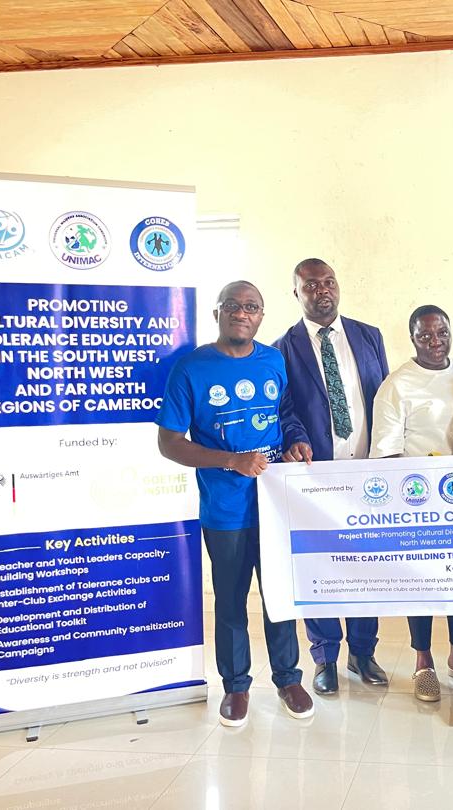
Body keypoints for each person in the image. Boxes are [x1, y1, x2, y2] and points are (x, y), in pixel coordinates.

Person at [156, 281, 315, 729]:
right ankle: (237, 687)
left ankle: (288, 678)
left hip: (275, 505)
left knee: (279, 596)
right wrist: (231, 460)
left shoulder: (274, 359)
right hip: (225, 512)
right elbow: (169, 443)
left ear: (261, 316)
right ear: (217, 313)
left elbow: (284, 413)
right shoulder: (190, 369)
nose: (241, 313)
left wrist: (296, 441)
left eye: (251, 307)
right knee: (230, 602)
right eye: (233, 305)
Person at [274, 258, 390, 696]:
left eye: (329, 282)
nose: (322, 290)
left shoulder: (368, 336)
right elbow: (283, 409)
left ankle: (363, 651)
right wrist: (297, 437)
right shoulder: (282, 347)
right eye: (311, 285)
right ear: (297, 293)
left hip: (366, 473)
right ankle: (325, 656)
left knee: (366, 564)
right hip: (315, 475)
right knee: (319, 564)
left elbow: (384, 399)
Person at [369, 305, 453, 702]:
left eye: (441, 333)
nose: (435, 342)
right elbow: (385, 452)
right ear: (412, 339)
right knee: (423, 584)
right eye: (424, 335)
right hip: (418, 500)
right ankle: (423, 661)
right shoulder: (397, 385)